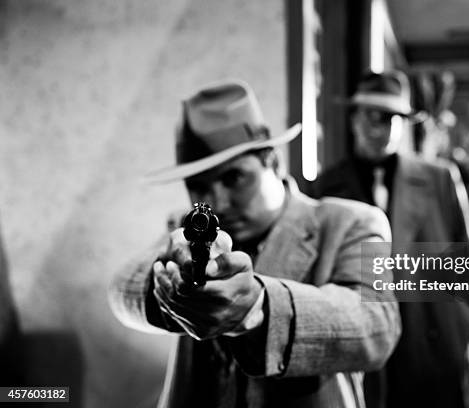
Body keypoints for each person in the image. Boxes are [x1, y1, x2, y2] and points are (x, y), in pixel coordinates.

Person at [109, 80, 400, 408]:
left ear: (273, 162)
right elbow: (122, 288)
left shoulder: (356, 222)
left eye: (233, 178)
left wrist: (258, 307)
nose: (217, 202)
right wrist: (168, 289)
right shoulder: (184, 230)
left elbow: (376, 326)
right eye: (199, 187)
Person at [313, 70, 469, 408]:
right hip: (361, 343)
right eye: (376, 117)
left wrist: (464, 326)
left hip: (429, 338)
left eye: (396, 119)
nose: (385, 129)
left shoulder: (439, 179)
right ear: (354, 118)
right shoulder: (324, 190)